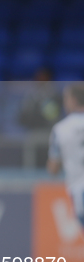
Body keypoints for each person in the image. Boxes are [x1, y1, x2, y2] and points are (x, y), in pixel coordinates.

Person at [48, 83, 84, 227]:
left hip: (79, 190)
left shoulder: (60, 129)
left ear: (73, 100)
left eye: (66, 98)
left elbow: (53, 168)